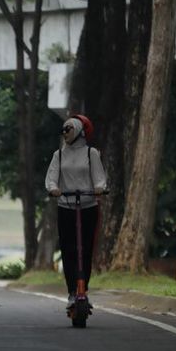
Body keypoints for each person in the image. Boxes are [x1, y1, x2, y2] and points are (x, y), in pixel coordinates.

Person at [44, 115, 107, 310]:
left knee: (85, 249)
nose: (65, 133)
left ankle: (83, 289)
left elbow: (99, 177)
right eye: (63, 130)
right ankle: (72, 291)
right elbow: (51, 178)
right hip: (66, 206)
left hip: (88, 206)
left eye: (68, 129)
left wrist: (99, 187)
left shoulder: (91, 153)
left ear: (79, 130)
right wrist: (54, 188)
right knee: (68, 249)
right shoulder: (59, 155)